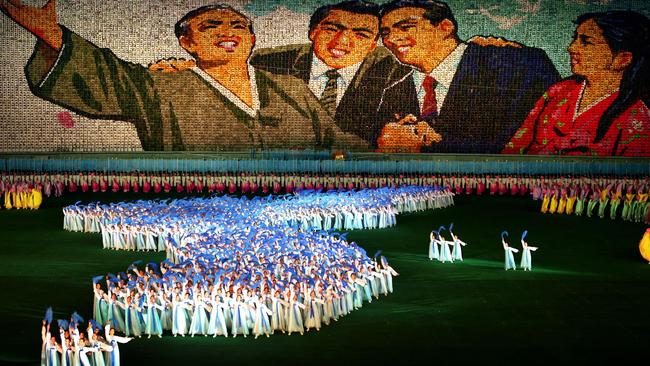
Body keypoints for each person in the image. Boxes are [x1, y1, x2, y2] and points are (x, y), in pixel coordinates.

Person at [0, 1, 368, 151]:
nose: (228, 32)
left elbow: (335, 139)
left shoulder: (290, 88)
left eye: (238, 26)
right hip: (194, 202)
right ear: (186, 42)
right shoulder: (160, 85)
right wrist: (52, 37)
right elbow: (104, 78)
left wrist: (388, 146)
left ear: (252, 39)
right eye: (211, 26)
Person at [377, 0, 560, 154]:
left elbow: (532, 143)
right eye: (385, 33)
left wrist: (429, 147)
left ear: (445, 27)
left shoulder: (516, 64)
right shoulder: (394, 93)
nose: (391, 39)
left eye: (406, 27)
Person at [503, 11, 650, 157]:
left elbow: (633, 177)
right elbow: (516, 146)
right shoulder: (559, 91)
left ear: (622, 59)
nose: (571, 48)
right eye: (575, 39)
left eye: (586, 42)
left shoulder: (636, 118)